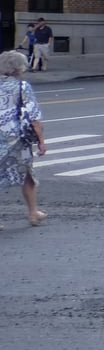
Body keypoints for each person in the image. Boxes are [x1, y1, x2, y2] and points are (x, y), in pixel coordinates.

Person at [0, 50, 49, 228]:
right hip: (16, 138)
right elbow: (33, 116)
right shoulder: (22, 87)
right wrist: (41, 141)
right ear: (19, 68)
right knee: (27, 175)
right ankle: (32, 213)